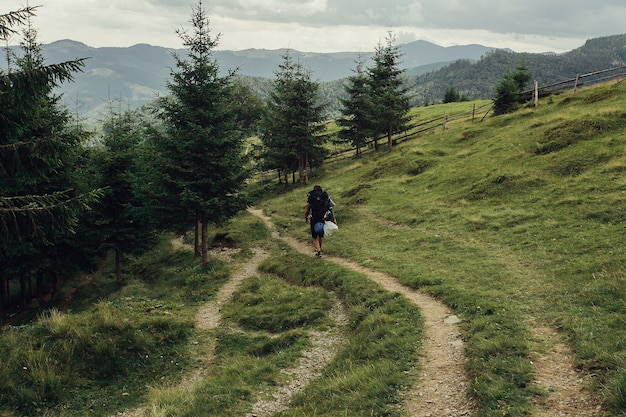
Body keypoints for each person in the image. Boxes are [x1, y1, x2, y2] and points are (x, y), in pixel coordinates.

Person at [304, 185, 331, 258]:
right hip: (323, 218)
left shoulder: (312, 197)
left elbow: (307, 209)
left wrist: (306, 217)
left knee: (314, 236)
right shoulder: (324, 196)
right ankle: (320, 249)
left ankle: (318, 250)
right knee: (320, 235)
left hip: (314, 218)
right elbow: (329, 208)